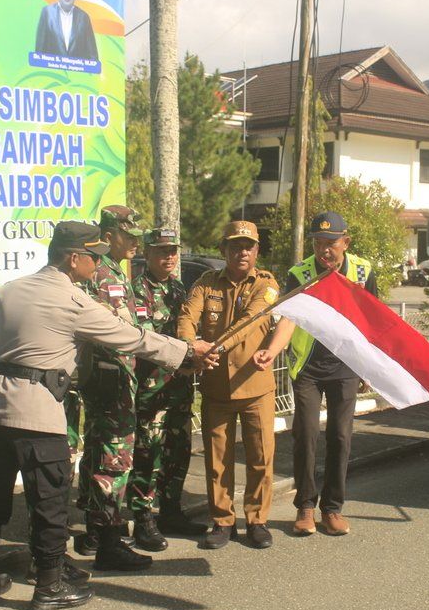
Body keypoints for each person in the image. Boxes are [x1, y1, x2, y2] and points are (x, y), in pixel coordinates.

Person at [0, 220, 215, 610]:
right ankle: (50, 585)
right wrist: (186, 353)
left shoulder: (7, 291)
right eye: (93, 256)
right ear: (73, 259)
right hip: (38, 411)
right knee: (50, 500)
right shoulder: (72, 300)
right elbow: (130, 337)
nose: (98, 263)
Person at [255, 212, 376, 537]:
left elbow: (371, 320)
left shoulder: (363, 272)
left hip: (346, 366)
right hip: (307, 368)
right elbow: (289, 319)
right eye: (319, 243)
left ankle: (332, 509)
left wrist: (368, 366)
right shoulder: (301, 273)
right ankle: (305, 507)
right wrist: (273, 349)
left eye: (331, 243)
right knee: (305, 435)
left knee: (341, 437)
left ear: (345, 242)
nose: (324, 250)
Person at [178, 221, 280, 550]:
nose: (242, 251)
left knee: (260, 457)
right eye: (235, 245)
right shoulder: (206, 283)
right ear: (223, 250)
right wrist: (190, 346)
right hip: (216, 388)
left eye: (249, 246)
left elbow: (249, 322)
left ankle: (257, 520)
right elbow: (186, 317)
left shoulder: (266, 284)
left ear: (257, 251)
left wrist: (212, 348)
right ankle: (222, 521)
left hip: (255, 387)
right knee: (217, 459)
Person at [75, 205, 156, 570]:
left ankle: (96, 530)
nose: (137, 243)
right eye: (130, 235)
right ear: (109, 237)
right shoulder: (99, 273)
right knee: (113, 459)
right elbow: (110, 331)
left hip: (118, 377)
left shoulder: (116, 272)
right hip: (110, 378)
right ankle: (109, 541)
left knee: (100, 456)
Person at [130, 227, 209, 547]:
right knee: (148, 453)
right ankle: (143, 517)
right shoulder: (136, 291)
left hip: (178, 388)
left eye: (173, 251)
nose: (169, 257)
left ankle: (171, 510)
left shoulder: (179, 290)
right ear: (147, 254)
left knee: (178, 450)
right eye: (162, 251)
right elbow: (145, 341)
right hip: (152, 390)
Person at [33, 0, 99, 62]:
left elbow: (93, 57)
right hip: (52, 74)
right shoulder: (47, 13)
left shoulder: (84, 17)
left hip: (78, 75)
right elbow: (39, 52)